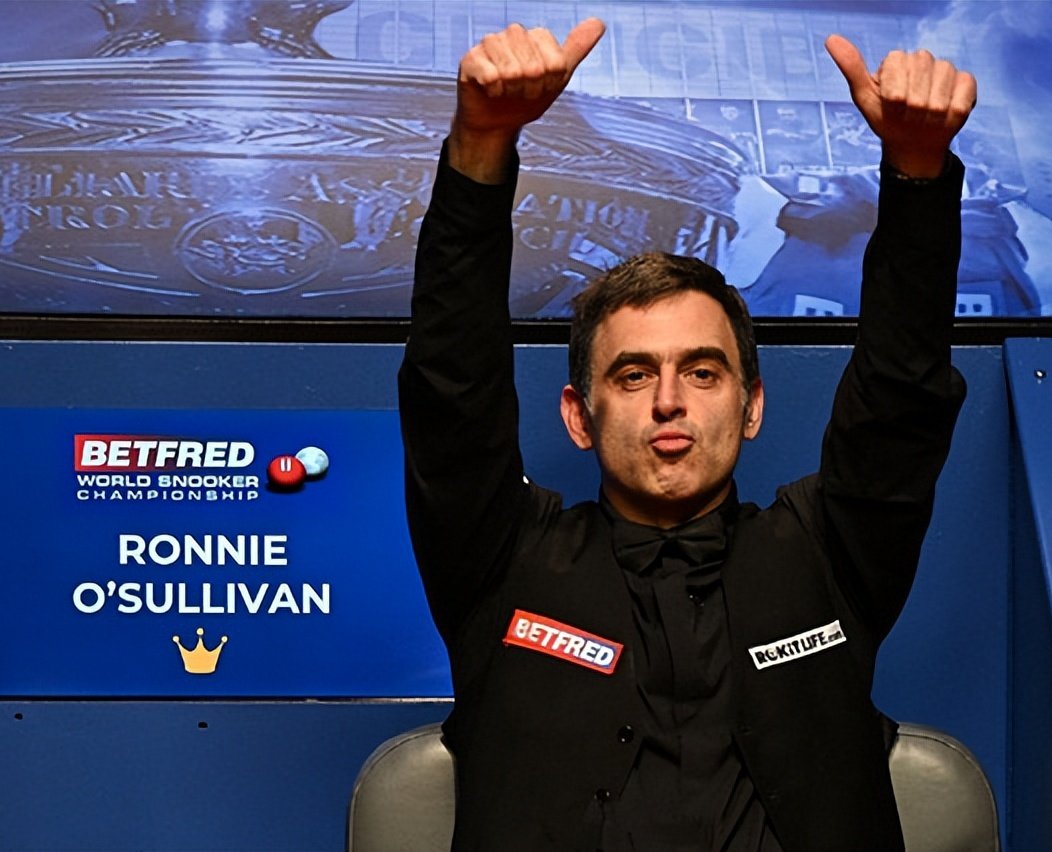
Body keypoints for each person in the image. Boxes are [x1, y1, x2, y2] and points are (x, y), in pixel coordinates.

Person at [400, 17, 975, 852]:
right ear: (579, 416)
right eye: (633, 375)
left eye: (703, 373)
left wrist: (917, 173)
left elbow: (902, 395)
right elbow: (451, 390)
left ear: (752, 407)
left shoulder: (828, 555)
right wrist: (482, 144)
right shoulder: (502, 559)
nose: (669, 401)